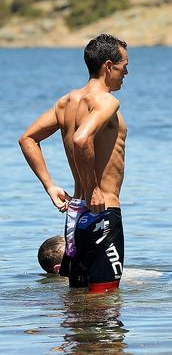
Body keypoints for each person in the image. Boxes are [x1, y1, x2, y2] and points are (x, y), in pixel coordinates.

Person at [20, 33, 129, 293]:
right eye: (124, 66)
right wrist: (94, 188)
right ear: (108, 66)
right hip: (102, 211)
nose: (127, 73)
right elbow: (82, 139)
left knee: (78, 300)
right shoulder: (106, 101)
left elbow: (27, 139)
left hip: (76, 213)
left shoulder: (66, 103)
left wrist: (50, 186)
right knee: (105, 300)